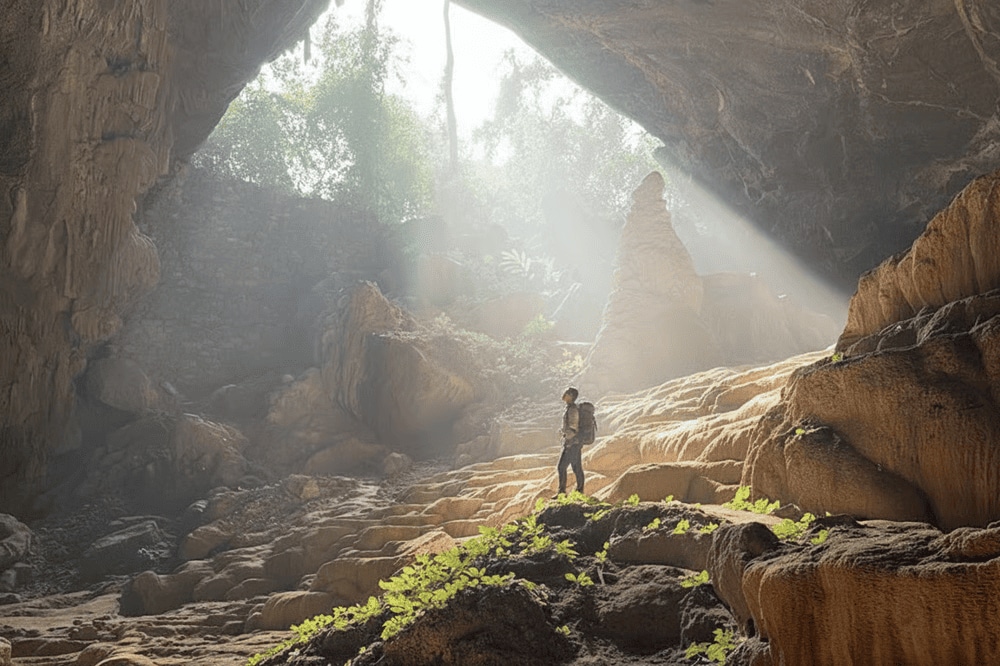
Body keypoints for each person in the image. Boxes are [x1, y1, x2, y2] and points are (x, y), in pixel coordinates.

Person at [557, 386, 585, 496]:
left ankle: (570, 492)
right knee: (572, 467)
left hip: (572, 444)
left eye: (567, 393)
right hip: (571, 443)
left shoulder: (573, 409)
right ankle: (570, 491)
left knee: (568, 467)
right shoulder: (569, 408)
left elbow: (573, 428)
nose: (564, 393)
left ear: (571, 396)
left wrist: (567, 439)